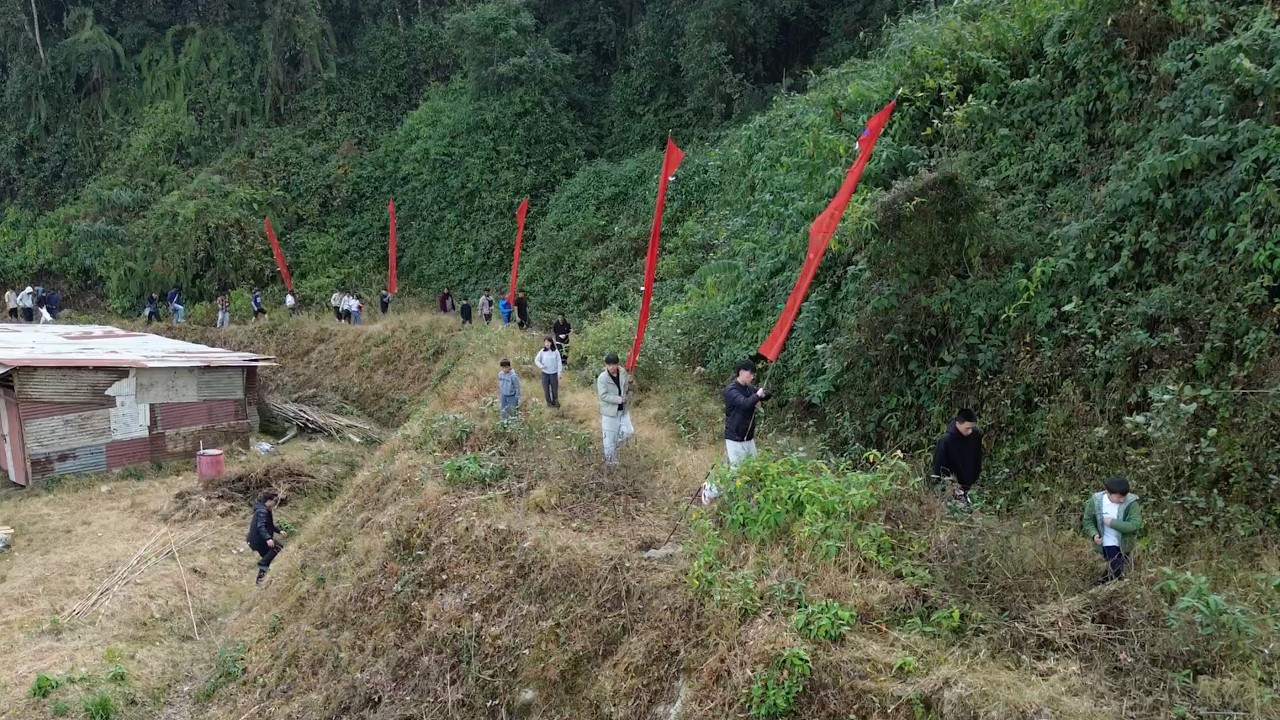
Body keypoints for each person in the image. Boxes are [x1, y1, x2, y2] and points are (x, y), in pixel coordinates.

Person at [1083, 475, 1142, 584]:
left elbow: (1135, 524)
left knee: (1117, 570)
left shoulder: (1131, 503)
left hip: (1125, 544)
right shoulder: (1097, 501)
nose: (1122, 499)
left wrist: (1112, 523)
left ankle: (1098, 587)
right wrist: (1094, 534)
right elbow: (1088, 520)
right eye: (1119, 497)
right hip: (1107, 542)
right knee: (1116, 569)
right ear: (1108, 492)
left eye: (1124, 496)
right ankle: (1102, 589)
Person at [931, 408, 983, 505]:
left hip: (970, 484)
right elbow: (939, 467)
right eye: (967, 428)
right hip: (951, 487)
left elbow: (977, 458)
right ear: (958, 423)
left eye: (972, 427)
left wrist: (976, 478)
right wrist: (945, 488)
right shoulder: (946, 441)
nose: (970, 431)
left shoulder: (975, 436)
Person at [596, 353, 633, 466]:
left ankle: (612, 446)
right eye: (610, 365)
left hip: (623, 410)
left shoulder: (622, 373)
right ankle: (611, 464)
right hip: (609, 412)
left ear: (618, 364)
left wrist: (631, 382)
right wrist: (618, 399)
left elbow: (628, 388)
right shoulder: (602, 378)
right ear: (606, 365)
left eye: (614, 364)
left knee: (629, 432)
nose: (612, 367)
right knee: (608, 439)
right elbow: (603, 395)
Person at [246, 490, 286, 585]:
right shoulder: (262, 512)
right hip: (257, 541)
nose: (275, 503)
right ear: (269, 501)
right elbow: (261, 526)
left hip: (256, 541)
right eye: (274, 501)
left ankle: (259, 581)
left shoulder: (264, 510)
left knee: (267, 558)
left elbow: (269, 525)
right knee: (277, 547)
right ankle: (262, 566)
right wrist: (268, 538)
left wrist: (279, 531)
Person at [535, 336, 563, 408]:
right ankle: (549, 404)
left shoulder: (555, 352)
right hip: (545, 373)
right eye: (545, 342)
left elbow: (559, 362)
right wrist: (541, 366)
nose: (547, 344)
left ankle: (555, 403)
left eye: (548, 342)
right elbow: (536, 360)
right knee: (546, 389)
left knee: (554, 389)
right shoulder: (542, 351)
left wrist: (559, 373)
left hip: (553, 373)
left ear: (551, 343)